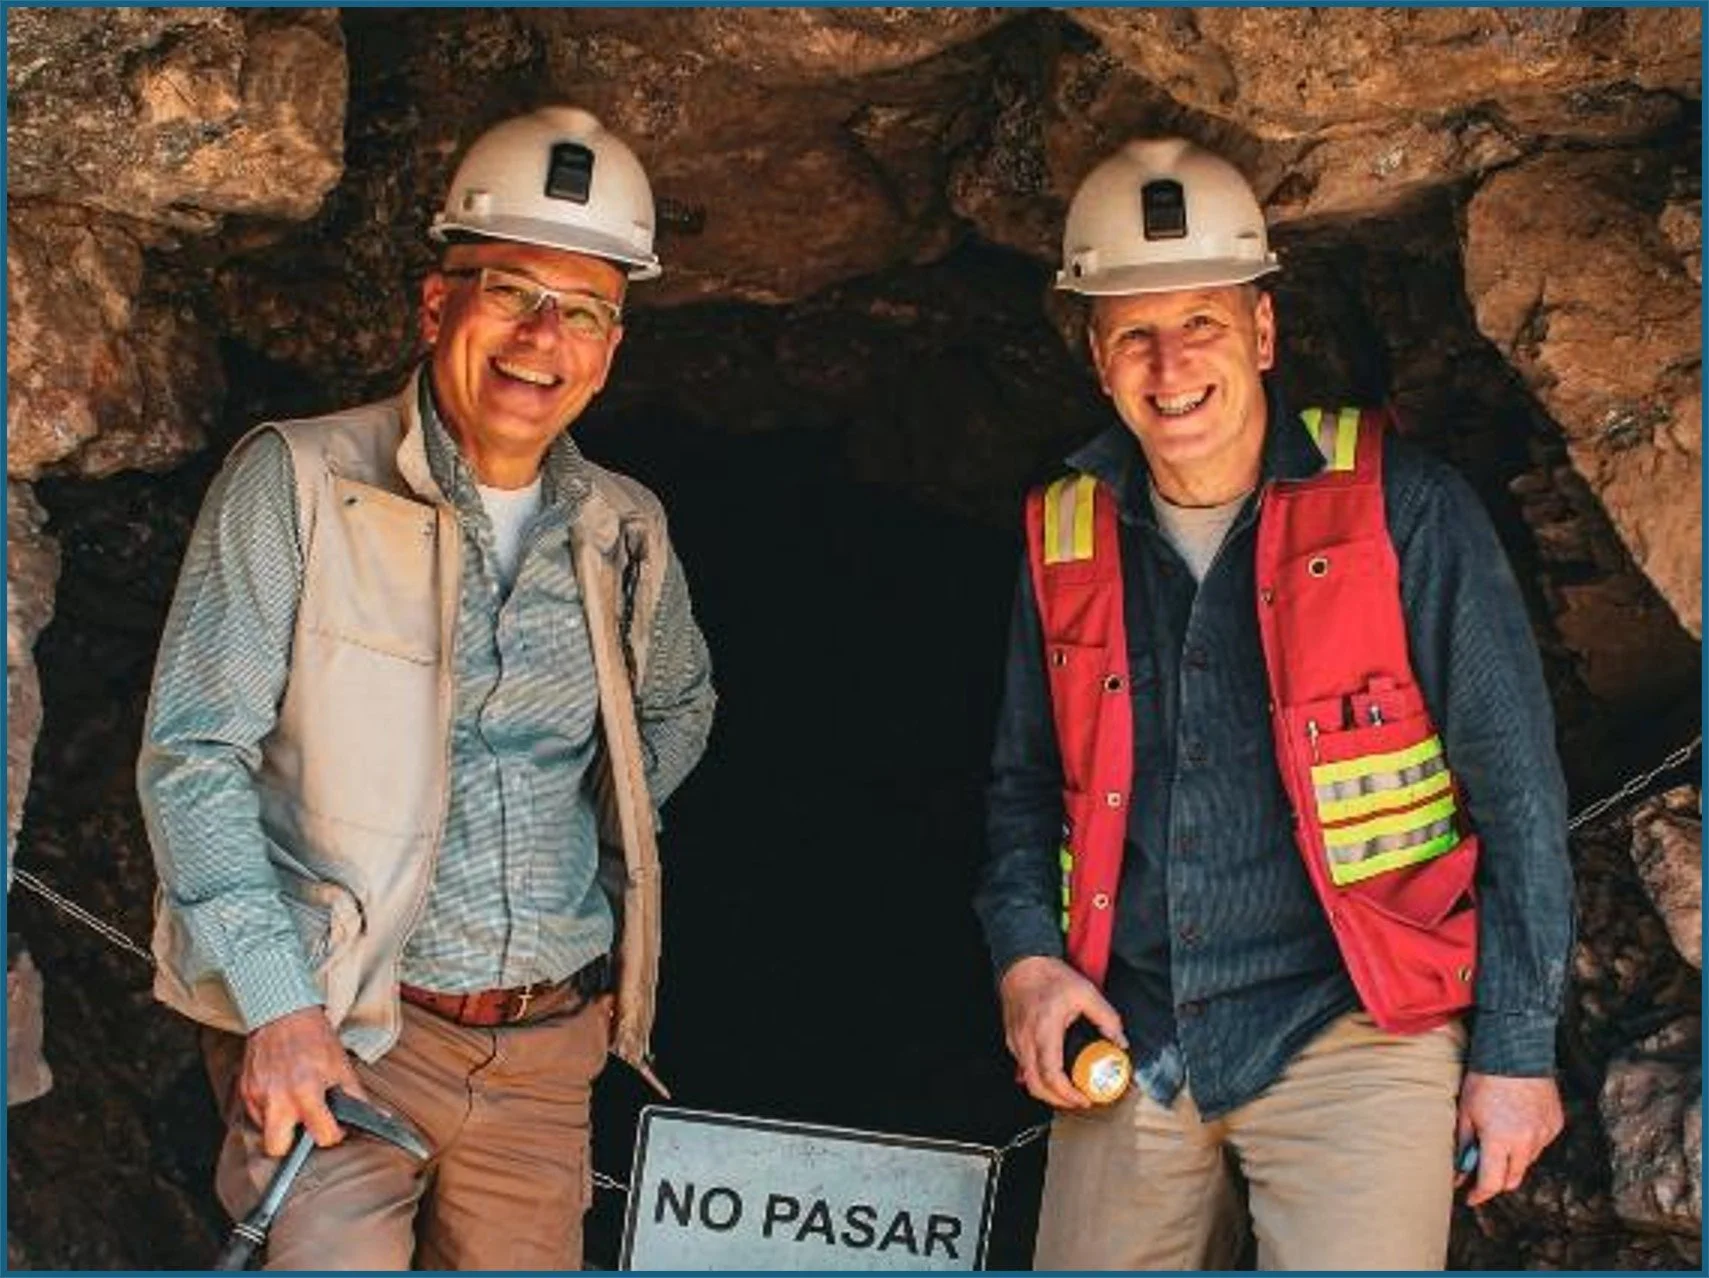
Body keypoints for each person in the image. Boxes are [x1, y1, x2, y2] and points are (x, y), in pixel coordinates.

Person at [975, 137, 1572, 1271]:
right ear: (1096, 360)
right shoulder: (1062, 535)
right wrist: (1026, 963)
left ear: (1260, 332)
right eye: (1132, 334)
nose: (1168, 363)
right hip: (1133, 1028)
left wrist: (1514, 1053)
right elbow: (1018, 793)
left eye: (1199, 322)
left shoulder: (1404, 511)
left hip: (1357, 1021)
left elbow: (1518, 798)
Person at [139, 106, 716, 1271]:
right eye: (508, 291)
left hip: (545, 1051)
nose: (541, 336)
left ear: (610, 351)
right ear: (434, 303)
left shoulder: (623, 529)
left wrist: (579, 869)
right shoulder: (299, 481)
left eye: (584, 311)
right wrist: (279, 1007)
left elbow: (675, 708)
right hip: (342, 1030)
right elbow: (193, 757)